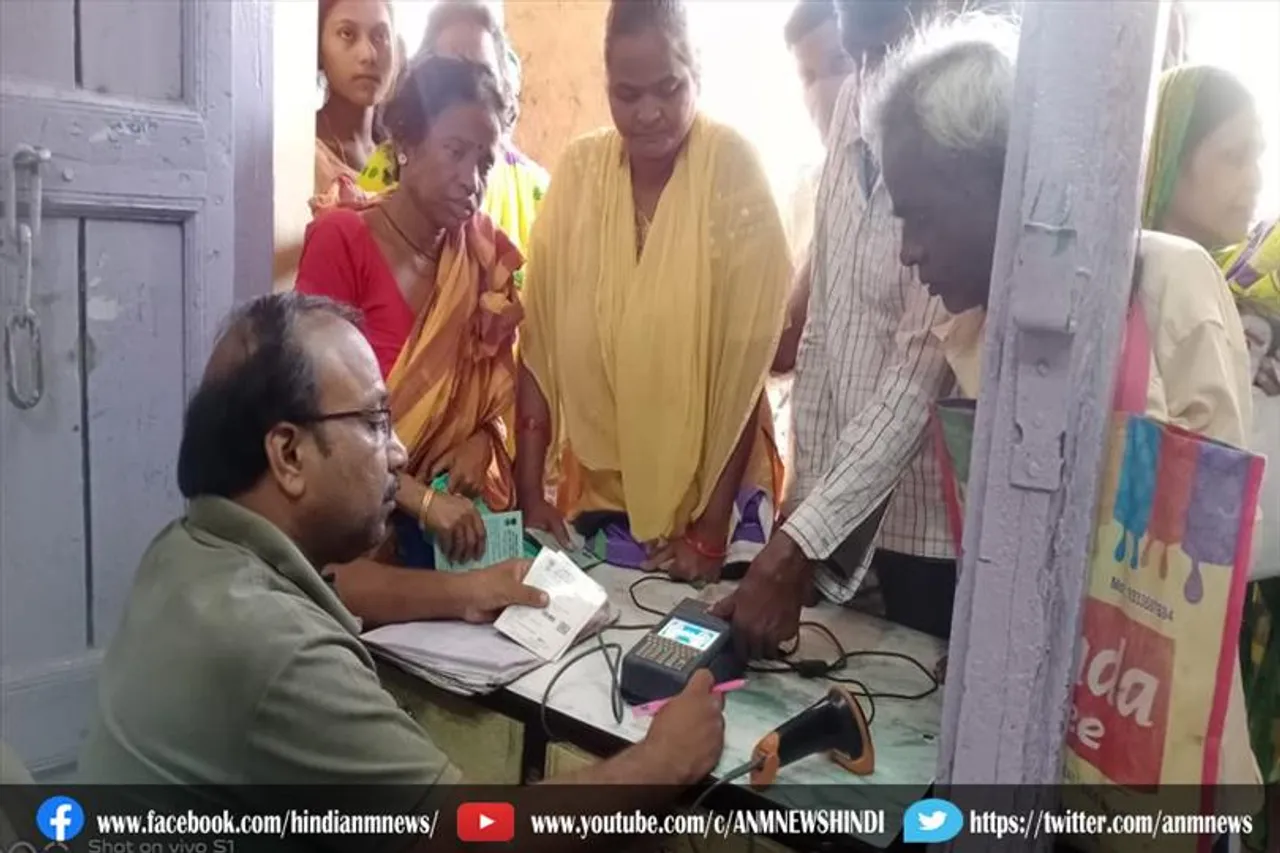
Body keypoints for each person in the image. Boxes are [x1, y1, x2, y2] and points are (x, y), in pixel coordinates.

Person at [77, 293, 727, 831]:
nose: (400, 452)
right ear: (289, 455)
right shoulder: (279, 650)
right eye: (376, 421)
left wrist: (466, 591)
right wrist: (658, 764)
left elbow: (338, 588)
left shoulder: (188, 551)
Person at [864, 4, 1261, 820]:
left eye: (922, 215)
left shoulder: (1170, 286)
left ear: (1004, 182)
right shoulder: (973, 329)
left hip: (1151, 765)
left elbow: (1216, 552)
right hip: (1034, 751)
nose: (908, 250)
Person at [715, 0, 959, 659]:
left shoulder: (955, 131)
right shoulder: (856, 98)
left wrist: (802, 542)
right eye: (861, 53)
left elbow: (918, 378)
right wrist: (800, 512)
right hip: (837, 524)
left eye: (889, 48)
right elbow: (823, 331)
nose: (875, 73)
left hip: (925, 529)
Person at [517, 0, 792, 582]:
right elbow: (537, 348)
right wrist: (530, 496)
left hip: (710, 506)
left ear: (697, 73)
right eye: (627, 94)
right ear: (607, 87)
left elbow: (742, 378)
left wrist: (710, 532)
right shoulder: (580, 176)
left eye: (669, 88)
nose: (648, 113)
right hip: (598, 505)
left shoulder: (731, 174)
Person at [295, 56, 522, 621]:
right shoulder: (342, 241)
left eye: (484, 162)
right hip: (355, 536)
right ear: (406, 143)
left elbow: (496, 399)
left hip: (450, 541)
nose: (471, 180)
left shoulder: (479, 260)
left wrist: (480, 444)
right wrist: (421, 501)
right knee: (326, 578)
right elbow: (319, 424)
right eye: (455, 151)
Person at [1142, 63, 1279, 850]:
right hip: (1177, 613)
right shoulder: (1179, 280)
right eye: (1233, 155)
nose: (1253, 178)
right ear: (1172, 158)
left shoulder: (1222, 279)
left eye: (1259, 155)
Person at [356, 0, 550, 264]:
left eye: (483, 75)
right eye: (450, 72)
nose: (470, 87)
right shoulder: (382, 172)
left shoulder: (536, 191)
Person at [274, 0, 399, 282]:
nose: (368, 54)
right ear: (319, 48)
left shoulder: (402, 156)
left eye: (380, 36)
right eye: (347, 34)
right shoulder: (298, 151)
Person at [772, 0, 856, 374]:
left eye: (839, 64)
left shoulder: (904, 189)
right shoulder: (804, 191)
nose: (824, 91)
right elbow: (783, 350)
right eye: (808, 76)